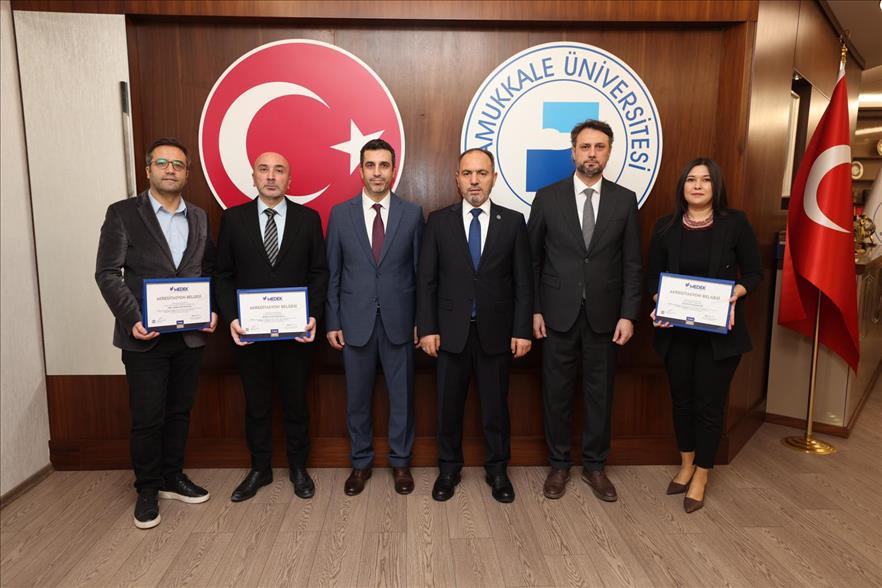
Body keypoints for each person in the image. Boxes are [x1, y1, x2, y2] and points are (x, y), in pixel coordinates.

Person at [95, 137, 217, 529]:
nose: (170, 170)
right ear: (147, 169)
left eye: (178, 164)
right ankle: (147, 488)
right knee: (148, 416)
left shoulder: (199, 217)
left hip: (189, 336)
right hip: (143, 336)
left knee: (179, 410)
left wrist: (211, 309)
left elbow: (207, 270)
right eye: (162, 163)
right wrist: (132, 317)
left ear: (187, 173)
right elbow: (107, 272)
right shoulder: (122, 214)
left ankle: (171, 476)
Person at [527, 119, 642, 502]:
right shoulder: (547, 198)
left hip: (606, 318)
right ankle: (559, 465)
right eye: (586, 147)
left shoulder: (624, 200)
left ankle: (595, 466)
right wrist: (535, 309)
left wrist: (628, 314)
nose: (592, 153)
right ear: (573, 152)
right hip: (555, 315)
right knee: (556, 394)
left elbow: (632, 263)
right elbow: (532, 261)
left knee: (600, 395)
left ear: (609, 152)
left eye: (600, 147)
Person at [417, 148, 532, 503]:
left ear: (493, 178)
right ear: (457, 179)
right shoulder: (438, 221)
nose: (474, 181)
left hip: (496, 334)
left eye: (482, 173)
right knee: (448, 407)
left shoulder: (513, 222)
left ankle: (498, 471)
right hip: (450, 334)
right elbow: (427, 281)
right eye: (467, 174)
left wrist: (522, 329)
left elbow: (523, 282)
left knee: (495, 409)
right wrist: (427, 328)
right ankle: (448, 469)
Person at [647, 157, 762, 513]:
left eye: (706, 180)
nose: (697, 185)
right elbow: (652, 276)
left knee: (709, 405)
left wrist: (734, 294)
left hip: (719, 336)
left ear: (716, 186)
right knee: (681, 400)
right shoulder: (665, 226)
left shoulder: (735, 223)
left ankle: (702, 472)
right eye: (691, 179)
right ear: (682, 186)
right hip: (677, 334)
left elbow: (754, 273)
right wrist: (659, 303)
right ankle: (686, 463)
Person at [214, 151, 329, 502]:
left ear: (289, 180)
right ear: (253, 177)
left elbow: (319, 273)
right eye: (263, 169)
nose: (271, 176)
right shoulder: (233, 219)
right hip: (250, 335)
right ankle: (260, 468)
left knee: (296, 403)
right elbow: (223, 274)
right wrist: (232, 318)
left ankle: (298, 467)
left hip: (296, 334)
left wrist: (313, 314)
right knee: (257, 405)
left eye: (279, 170)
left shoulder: (308, 219)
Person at [325, 139, 424, 496]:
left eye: (384, 165)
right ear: (360, 170)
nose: (377, 172)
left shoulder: (412, 213)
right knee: (357, 399)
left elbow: (420, 273)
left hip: (401, 322)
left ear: (393, 170)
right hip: (354, 323)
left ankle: (401, 463)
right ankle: (361, 463)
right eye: (370, 165)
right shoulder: (340, 214)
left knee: (402, 398)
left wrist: (421, 320)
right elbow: (333, 272)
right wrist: (333, 321)